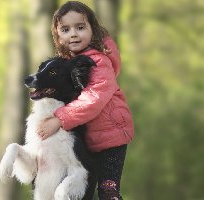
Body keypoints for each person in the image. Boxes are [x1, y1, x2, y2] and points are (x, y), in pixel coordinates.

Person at [37, 1, 135, 199]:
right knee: (81, 190)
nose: (73, 34)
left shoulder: (99, 61)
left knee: (107, 190)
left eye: (80, 27)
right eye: (65, 29)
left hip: (111, 136)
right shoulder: (66, 64)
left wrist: (60, 119)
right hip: (85, 139)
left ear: (93, 30)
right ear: (58, 35)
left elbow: (93, 98)